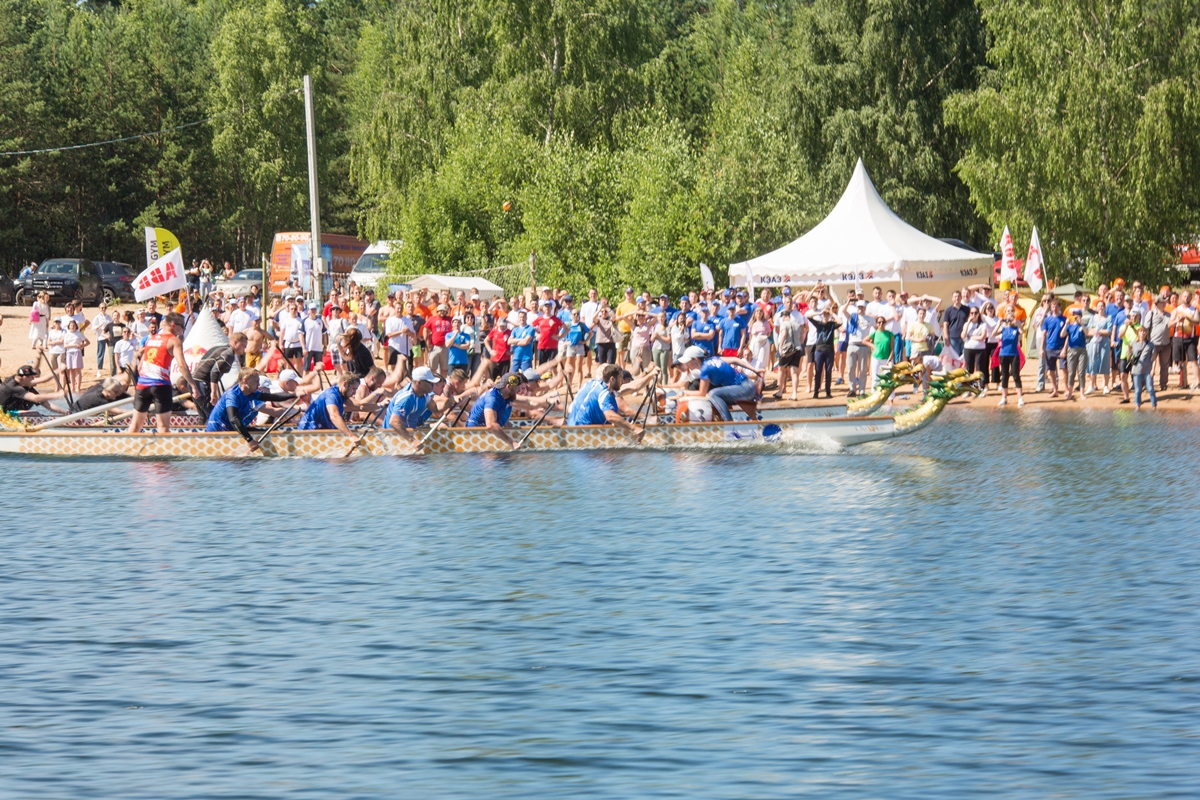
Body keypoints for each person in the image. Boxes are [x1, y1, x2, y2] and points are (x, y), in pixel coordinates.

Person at [127, 313, 199, 434]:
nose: (183, 330)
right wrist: (193, 385)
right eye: (182, 326)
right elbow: (182, 365)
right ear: (173, 325)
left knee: (135, 425)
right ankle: (162, 453)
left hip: (142, 385)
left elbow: (140, 367)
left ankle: (127, 451)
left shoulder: (151, 339)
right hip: (160, 385)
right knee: (163, 427)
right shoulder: (174, 341)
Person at [205, 369, 295, 451]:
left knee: (265, 432)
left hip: (231, 429)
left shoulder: (251, 393)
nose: (259, 385)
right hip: (217, 433)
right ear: (245, 380)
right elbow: (233, 419)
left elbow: (273, 397)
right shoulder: (232, 395)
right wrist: (250, 440)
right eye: (256, 382)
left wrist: (294, 395)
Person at [673, 345, 763, 421]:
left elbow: (702, 393)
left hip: (745, 389)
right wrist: (754, 370)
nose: (687, 365)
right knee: (715, 395)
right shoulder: (714, 359)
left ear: (695, 360)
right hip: (747, 387)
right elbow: (735, 360)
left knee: (712, 394)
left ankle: (728, 424)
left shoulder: (705, 369)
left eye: (688, 362)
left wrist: (684, 392)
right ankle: (753, 422)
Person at [566, 363, 645, 441]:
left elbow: (633, 387)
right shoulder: (604, 393)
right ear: (612, 379)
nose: (623, 380)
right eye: (620, 377)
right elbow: (610, 416)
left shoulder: (605, 386)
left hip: (587, 427)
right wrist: (634, 428)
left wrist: (651, 375)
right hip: (583, 432)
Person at [297, 374, 373, 444]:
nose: (354, 393)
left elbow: (359, 406)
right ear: (345, 384)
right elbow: (334, 416)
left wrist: (380, 406)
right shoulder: (332, 395)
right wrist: (351, 436)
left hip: (321, 431)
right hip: (307, 433)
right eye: (353, 389)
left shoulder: (341, 394)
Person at [464, 371, 527, 450]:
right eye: (516, 389)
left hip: (486, 433)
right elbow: (491, 425)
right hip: (474, 436)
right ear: (509, 387)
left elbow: (530, 402)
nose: (517, 391)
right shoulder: (492, 398)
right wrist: (511, 442)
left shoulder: (505, 396)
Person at [192, 333, 248, 419]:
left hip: (195, 382)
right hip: (201, 383)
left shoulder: (220, 348)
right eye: (243, 345)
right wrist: (214, 393)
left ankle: (201, 431)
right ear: (235, 342)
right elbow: (215, 372)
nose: (245, 349)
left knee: (204, 416)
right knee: (214, 415)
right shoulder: (229, 354)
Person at [383, 366, 442, 446]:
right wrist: (412, 441)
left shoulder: (423, 395)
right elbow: (394, 422)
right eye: (430, 382)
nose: (433, 384)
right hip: (392, 438)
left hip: (407, 434)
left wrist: (451, 401)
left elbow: (436, 408)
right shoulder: (406, 398)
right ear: (419, 383)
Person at [805, 305, 842, 399]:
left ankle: (828, 392)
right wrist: (820, 312)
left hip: (829, 351)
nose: (825, 315)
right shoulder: (818, 323)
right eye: (824, 313)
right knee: (818, 371)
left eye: (827, 313)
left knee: (828, 372)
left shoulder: (832, 324)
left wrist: (832, 313)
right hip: (819, 350)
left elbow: (840, 322)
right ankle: (816, 392)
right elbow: (809, 316)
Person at [0, 365, 67, 413]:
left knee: (42, 401)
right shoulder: (14, 387)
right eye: (32, 377)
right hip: (3, 413)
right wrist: (57, 395)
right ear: (25, 378)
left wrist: (59, 369)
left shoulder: (21, 381)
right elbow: (35, 398)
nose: (33, 379)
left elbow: (43, 379)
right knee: (34, 413)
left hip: (10, 409)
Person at [1039, 299, 1067, 397]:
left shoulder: (1064, 319)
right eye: (1052, 307)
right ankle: (1055, 389)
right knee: (1051, 370)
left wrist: (1064, 348)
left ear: (1059, 307)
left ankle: (1066, 389)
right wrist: (1041, 348)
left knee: (1064, 369)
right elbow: (1043, 334)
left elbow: (1068, 335)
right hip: (1049, 347)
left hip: (1061, 347)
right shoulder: (1047, 319)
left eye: (1056, 306)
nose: (1054, 308)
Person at [996, 312, 1025, 408]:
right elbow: (993, 333)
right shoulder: (1003, 328)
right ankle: (1004, 397)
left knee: (1016, 375)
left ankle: (1020, 398)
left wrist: (1017, 323)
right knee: (1004, 376)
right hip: (1003, 354)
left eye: (1011, 318)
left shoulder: (1016, 328)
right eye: (1008, 318)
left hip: (1014, 354)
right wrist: (999, 323)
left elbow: (1023, 331)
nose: (1009, 320)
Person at [1086, 300, 1113, 395]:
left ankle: (1106, 385)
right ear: (1096, 308)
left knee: (1105, 362)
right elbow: (1088, 331)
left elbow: (1109, 331)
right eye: (1099, 306)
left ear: (1105, 307)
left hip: (1104, 343)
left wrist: (1098, 331)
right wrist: (1095, 332)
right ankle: (1092, 385)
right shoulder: (1093, 318)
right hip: (1094, 343)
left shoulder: (1108, 318)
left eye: (1102, 306)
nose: (1100, 307)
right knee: (1092, 363)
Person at [1128, 326, 1157, 410]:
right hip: (1136, 370)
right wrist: (1129, 354)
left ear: (1146, 333)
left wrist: (1153, 369)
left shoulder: (1150, 344)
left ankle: (1154, 405)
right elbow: (1129, 356)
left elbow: (1154, 358)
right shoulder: (1133, 343)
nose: (1142, 333)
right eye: (1141, 331)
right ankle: (1137, 405)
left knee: (1150, 388)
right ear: (1138, 332)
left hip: (1147, 370)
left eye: (1144, 331)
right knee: (1137, 390)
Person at [1116, 310, 1141, 403]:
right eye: (1131, 316)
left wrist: (1133, 326)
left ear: (1138, 317)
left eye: (1135, 316)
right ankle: (1126, 397)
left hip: (1136, 355)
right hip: (1125, 354)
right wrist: (1126, 326)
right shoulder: (1123, 326)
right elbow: (1120, 336)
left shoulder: (1140, 327)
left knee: (1136, 377)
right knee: (1122, 375)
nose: (1133, 318)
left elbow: (1140, 336)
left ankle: (1138, 397)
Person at [1062, 309, 1088, 401]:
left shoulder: (1083, 325)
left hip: (1082, 350)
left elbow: (1087, 333)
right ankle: (1070, 393)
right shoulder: (1070, 326)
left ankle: (1082, 393)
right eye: (1074, 315)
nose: (1076, 316)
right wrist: (1066, 324)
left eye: (1077, 315)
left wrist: (1080, 323)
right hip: (1071, 350)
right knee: (1071, 372)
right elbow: (1062, 335)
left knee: (1081, 372)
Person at [61, 320, 88, 394]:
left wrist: (82, 346)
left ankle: (78, 387)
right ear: (69, 326)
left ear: (76, 326)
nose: (72, 327)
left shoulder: (79, 334)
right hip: (69, 352)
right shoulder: (67, 334)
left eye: (74, 325)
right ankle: (72, 387)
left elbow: (87, 342)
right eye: (71, 325)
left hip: (77, 352)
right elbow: (65, 345)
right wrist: (74, 345)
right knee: (71, 370)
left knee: (78, 370)